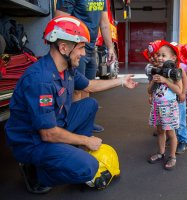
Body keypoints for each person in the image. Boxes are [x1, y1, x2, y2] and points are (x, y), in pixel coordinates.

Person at [4, 16, 137, 194]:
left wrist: (121, 81)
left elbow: (89, 85)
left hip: (54, 125)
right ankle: (38, 174)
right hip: (32, 141)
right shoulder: (40, 80)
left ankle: (65, 154)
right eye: (81, 47)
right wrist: (86, 141)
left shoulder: (67, 68)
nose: (83, 54)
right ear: (64, 47)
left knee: (89, 104)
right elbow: (48, 133)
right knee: (88, 168)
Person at [56, 0, 116, 132]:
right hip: (76, 48)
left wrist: (110, 48)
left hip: (91, 48)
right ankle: (73, 126)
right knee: (76, 89)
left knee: (86, 87)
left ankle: (85, 121)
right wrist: (70, 50)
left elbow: (104, 23)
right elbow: (60, 21)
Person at [147, 41, 182, 170]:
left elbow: (178, 90)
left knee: (171, 133)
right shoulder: (157, 71)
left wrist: (165, 81)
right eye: (158, 55)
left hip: (169, 107)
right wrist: (154, 80)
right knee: (160, 131)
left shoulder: (175, 73)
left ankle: (172, 156)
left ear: (173, 58)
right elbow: (149, 90)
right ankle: (161, 153)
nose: (160, 58)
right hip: (157, 106)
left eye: (163, 55)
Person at [175, 43, 187, 154]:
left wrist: (183, 92)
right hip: (170, 99)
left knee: (181, 120)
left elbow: (185, 79)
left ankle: (183, 140)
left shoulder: (180, 67)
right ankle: (174, 138)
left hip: (179, 98)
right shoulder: (164, 67)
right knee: (172, 120)